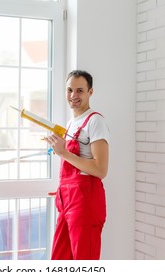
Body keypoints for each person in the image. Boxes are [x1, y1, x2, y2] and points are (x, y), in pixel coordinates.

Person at [44, 70, 110, 260]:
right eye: (69, 90)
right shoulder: (71, 123)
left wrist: (63, 152)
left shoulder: (95, 121)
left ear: (90, 92)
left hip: (85, 202)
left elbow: (100, 169)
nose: (73, 96)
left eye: (80, 90)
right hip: (67, 200)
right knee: (60, 260)